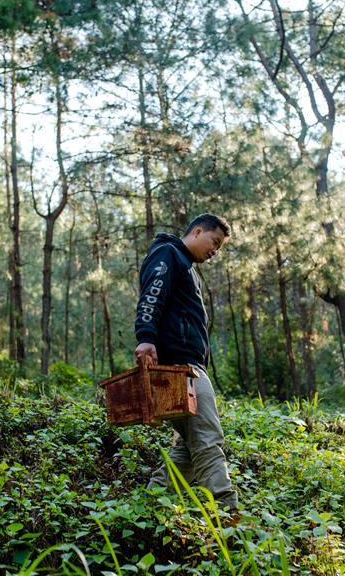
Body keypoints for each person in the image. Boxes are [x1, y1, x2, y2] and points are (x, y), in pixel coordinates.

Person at [134, 213, 238, 512]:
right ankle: (228, 512)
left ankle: (149, 506)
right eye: (214, 241)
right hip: (180, 367)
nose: (215, 251)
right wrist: (146, 336)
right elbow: (152, 294)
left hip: (189, 366)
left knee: (189, 449)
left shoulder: (186, 266)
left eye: (219, 246)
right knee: (207, 438)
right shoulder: (169, 254)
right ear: (197, 231)